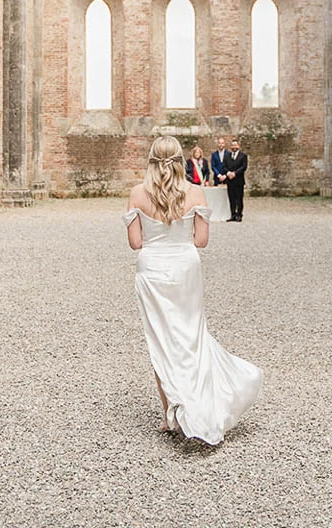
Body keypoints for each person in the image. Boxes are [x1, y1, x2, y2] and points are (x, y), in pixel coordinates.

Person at [123, 135, 262, 445]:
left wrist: (156, 240)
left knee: (160, 337)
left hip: (152, 269)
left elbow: (135, 243)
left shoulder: (137, 193)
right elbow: (201, 240)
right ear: (180, 159)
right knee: (190, 334)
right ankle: (197, 398)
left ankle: (169, 415)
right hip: (185, 267)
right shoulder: (196, 192)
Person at [226, 138, 248, 222]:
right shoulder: (227, 156)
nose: (234, 146)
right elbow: (224, 166)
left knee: (239, 199)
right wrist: (228, 173)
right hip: (230, 181)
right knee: (231, 199)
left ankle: (239, 215)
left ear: (238, 146)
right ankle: (232, 214)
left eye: (235, 145)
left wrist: (234, 173)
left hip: (239, 181)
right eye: (232, 145)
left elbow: (244, 167)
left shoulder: (243, 156)